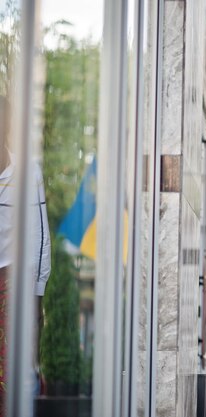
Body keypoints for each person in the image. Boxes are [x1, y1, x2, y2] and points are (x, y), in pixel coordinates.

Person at [0, 95, 51, 404]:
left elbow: (40, 236)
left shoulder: (28, 172)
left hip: (12, 284)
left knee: (11, 378)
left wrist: (37, 293)